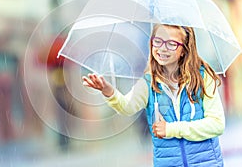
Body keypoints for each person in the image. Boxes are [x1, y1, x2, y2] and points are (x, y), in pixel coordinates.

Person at [82, 24, 225, 166]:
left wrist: (171, 129)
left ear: (184, 50)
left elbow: (217, 124)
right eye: (158, 41)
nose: (162, 48)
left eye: (171, 44)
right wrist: (108, 91)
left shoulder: (202, 78)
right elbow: (127, 107)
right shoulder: (148, 83)